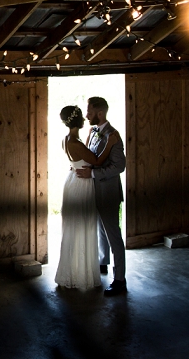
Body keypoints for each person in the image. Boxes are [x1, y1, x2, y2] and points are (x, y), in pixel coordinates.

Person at [54, 105, 120, 290]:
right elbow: (96, 161)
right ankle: (81, 273)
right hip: (82, 186)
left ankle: (74, 270)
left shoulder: (69, 139)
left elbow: (81, 156)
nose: (85, 118)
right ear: (77, 121)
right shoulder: (75, 143)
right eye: (82, 117)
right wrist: (110, 143)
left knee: (76, 227)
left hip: (73, 181)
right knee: (83, 226)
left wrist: (91, 136)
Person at [75, 96, 127, 296]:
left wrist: (94, 173)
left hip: (108, 192)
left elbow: (119, 166)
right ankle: (103, 262)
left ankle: (120, 279)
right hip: (95, 190)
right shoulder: (93, 131)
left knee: (113, 234)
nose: (86, 115)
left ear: (100, 113)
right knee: (101, 229)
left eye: (89, 111)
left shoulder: (113, 135)